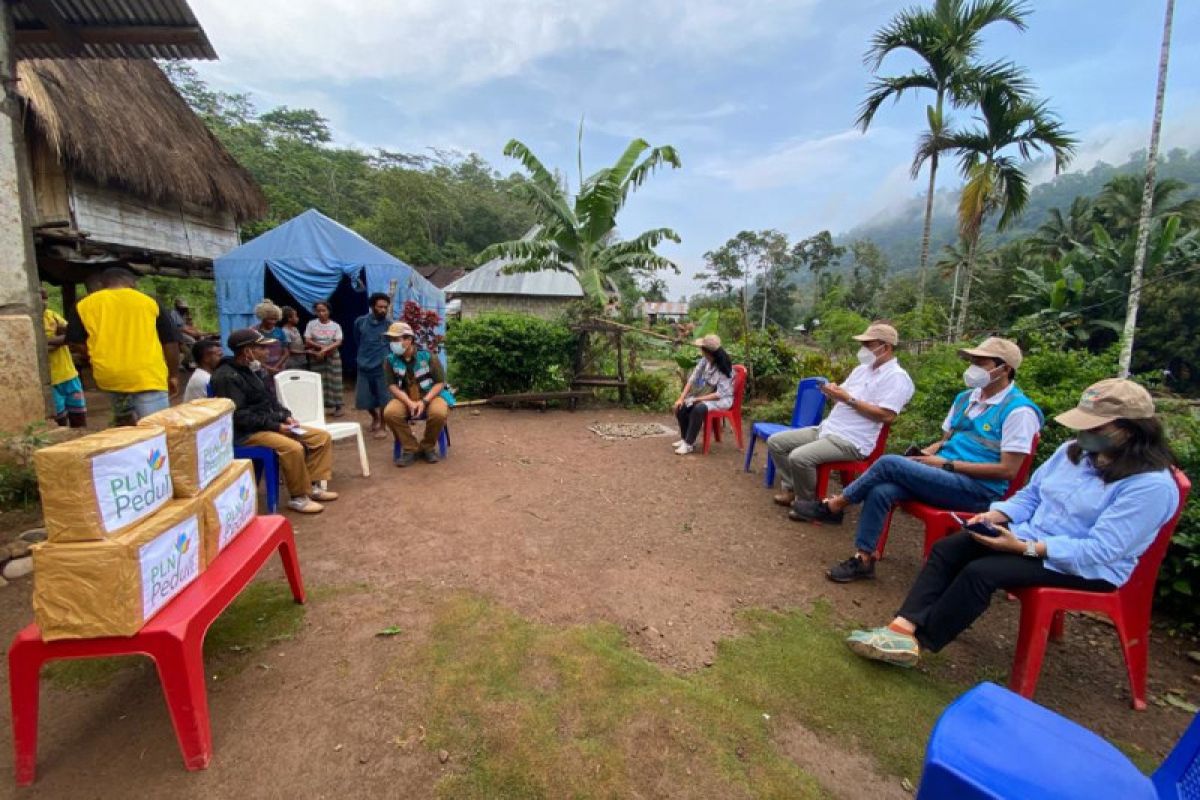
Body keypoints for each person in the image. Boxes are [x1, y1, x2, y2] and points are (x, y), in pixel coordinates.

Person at [845, 378, 1179, 667]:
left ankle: (922, 642)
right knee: (952, 547)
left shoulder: (1150, 486)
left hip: (1084, 566)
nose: (1084, 432)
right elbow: (1031, 495)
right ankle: (901, 628)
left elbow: (1103, 549)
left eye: (1096, 426)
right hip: (1027, 536)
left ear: (1131, 430)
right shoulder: (1072, 452)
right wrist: (997, 515)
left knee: (982, 572)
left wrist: (1025, 548)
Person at [792, 337, 1043, 584]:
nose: (973, 368)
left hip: (977, 490)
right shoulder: (966, 399)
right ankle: (864, 558)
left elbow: (1008, 471)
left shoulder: (1019, 411)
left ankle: (834, 505)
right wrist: (926, 454)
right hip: (944, 476)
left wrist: (945, 465)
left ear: (1005, 369)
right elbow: (947, 441)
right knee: (882, 490)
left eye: (982, 363)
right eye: (972, 361)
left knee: (889, 463)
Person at [767, 322, 914, 508]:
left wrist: (848, 399)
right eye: (863, 344)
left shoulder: (897, 377)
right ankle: (793, 488)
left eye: (868, 344)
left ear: (886, 347)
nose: (863, 349)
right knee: (776, 442)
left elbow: (886, 416)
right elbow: (843, 395)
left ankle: (806, 503)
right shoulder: (862, 370)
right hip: (828, 429)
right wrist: (833, 391)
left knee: (799, 457)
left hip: (852, 440)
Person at [210, 328, 339, 514]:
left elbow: (270, 400)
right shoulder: (226, 377)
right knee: (292, 447)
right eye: (262, 348)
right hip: (247, 433)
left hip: (268, 424)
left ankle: (313, 486)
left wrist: (286, 416)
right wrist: (277, 426)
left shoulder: (252, 370)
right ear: (247, 350)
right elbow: (239, 416)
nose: (267, 352)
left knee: (320, 437)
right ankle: (299, 497)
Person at [66, 267, 180, 425]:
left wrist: (95, 355)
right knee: (157, 429)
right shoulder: (149, 301)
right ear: (132, 283)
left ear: (102, 284)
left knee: (125, 427)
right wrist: (173, 374)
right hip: (147, 375)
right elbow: (170, 341)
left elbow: (75, 342)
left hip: (110, 376)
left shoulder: (83, 305)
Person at [381, 321, 454, 466]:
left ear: (409, 340)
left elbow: (439, 383)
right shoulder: (390, 360)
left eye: (396, 339)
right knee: (390, 413)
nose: (392, 343)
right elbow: (392, 385)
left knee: (439, 413)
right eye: (391, 340)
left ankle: (427, 447)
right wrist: (409, 402)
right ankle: (411, 448)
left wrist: (424, 401)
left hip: (431, 396)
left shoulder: (427, 356)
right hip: (405, 398)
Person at [671, 334, 735, 456]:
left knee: (698, 408)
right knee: (682, 406)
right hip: (707, 394)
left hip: (721, 399)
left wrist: (697, 399)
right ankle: (685, 439)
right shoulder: (705, 360)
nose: (700, 350)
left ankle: (689, 444)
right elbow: (693, 378)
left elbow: (719, 394)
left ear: (707, 351)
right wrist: (681, 398)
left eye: (702, 348)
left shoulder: (724, 366)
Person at [40, 287, 87, 427]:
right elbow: (38, 347)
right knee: (59, 420)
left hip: (69, 375)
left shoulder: (51, 315)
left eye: (45, 298)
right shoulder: (31, 320)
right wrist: (59, 340)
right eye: (40, 298)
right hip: (51, 380)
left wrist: (48, 341)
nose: (43, 302)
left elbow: (71, 335)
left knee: (79, 416)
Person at [354, 293, 393, 439]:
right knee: (364, 399)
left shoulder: (390, 325)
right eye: (380, 307)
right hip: (364, 365)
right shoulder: (361, 322)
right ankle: (375, 417)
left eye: (385, 307)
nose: (383, 310)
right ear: (372, 307)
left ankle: (383, 425)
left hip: (382, 368)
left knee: (384, 398)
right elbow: (357, 339)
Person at [304, 300, 344, 417]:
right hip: (316, 355)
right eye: (318, 311)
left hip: (332, 355)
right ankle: (319, 408)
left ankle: (338, 406)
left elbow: (339, 341)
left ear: (329, 311)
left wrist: (325, 350)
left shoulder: (335, 326)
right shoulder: (311, 324)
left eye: (324, 310)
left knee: (335, 380)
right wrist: (321, 348)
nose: (321, 313)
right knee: (318, 380)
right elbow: (307, 340)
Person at [253, 299, 289, 378]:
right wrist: (267, 368)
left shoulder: (280, 332)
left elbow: (286, 352)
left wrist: (275, 367)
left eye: (275, 319)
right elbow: (251, 354)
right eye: (270, 319)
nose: (273, 322)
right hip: (260, 369)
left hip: (278, 368)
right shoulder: (254, 332)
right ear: (263, 317)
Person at [280, 306, 309, 371]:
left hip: (301, 360)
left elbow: (297, 345)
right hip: (292, 363)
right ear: (289, 319)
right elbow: (290, 350)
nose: (297, 318)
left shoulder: (295, 329)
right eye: (295, 316)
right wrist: (307, 352)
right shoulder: (285, 331)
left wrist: (307, 346)